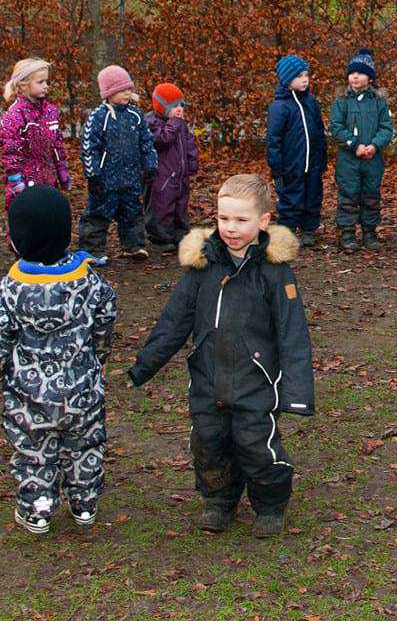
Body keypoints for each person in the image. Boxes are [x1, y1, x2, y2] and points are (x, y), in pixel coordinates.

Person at [127, 174, 315, 539]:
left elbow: (294, 335)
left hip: (255, 382)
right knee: (209, 444)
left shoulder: (275, 273)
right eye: (223, 218)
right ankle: (219, 500)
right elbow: (175, 320)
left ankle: (270, 502)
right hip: (208, 379)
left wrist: (296, 394)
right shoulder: (203, 266)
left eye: (241, 220)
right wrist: (143, 365)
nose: (230, 228)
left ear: (264, 221)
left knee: (256, 446)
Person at [0, 183, 121, 535]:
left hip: (30, 399)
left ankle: (38, 507)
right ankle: (84, 503)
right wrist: (101, 354)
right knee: (85, 444)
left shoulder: (10, 288)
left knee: (34, 452)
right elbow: (106, 316)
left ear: (16, 239)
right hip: (82, 392)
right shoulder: (89, 281)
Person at [80, 64, 157, 263]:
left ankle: (134, 246)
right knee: (98, 214)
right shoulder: (98, 117)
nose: (127, 94)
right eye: (122, 90)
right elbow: (89, 147)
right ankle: (93, 249)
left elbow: (147, 142)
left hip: (131, 177)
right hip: (105, 179)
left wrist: (150, 165)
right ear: (109, 92)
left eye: (129, 89)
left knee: (132, 212)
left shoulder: (136, 115)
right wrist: (93, 174)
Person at [329, 48, 394, 251]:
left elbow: (386, 128)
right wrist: (354, 145)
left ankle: (369, 232)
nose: (355, 76)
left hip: (372, 160)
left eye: (360, 73)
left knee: (371, 195)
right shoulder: (342, 102)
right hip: (348, 160)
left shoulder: (379, 102)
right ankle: (347, 233)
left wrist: (374, 145)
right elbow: (336, 127)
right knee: (348, 195)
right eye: (352, 72)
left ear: (370, 78)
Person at [267, 55, 328, 247]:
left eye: (306, 75)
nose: (304, 79)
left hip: (313, 164)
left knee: (313, 196)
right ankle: (287, 230)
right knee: (290, 198)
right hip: (291, 165)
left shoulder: (311, 102)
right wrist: (276, 167)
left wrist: (322, 158)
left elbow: (319, 131)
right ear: (286, 79)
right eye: (299, 76)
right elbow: (273, 140)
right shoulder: (280, 107)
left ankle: (309, 229)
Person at [0, 58, 69, 210]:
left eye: (46, 81)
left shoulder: (51, 112)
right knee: (26, 224)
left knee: (48, 220)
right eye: (40, 82)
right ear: (24, 84)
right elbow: (10, 151)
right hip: (26, 180)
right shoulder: (15, 114)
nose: (46, 86)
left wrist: (61, 168)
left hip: (49, 178)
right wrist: (16, 180)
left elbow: (57, 143)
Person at [145, 83, 201, 248]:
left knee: (180, 203)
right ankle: (160, 237)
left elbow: (189, 142)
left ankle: (180, 234)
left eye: (181, 105)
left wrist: (192, 162)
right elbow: (162, 139)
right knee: (161, 205)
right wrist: (175, 123)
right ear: (162, 107)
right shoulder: (152, 122)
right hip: (162, 175)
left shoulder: (179, 123)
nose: (179, 109)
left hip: (179, 173)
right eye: (174, 106)